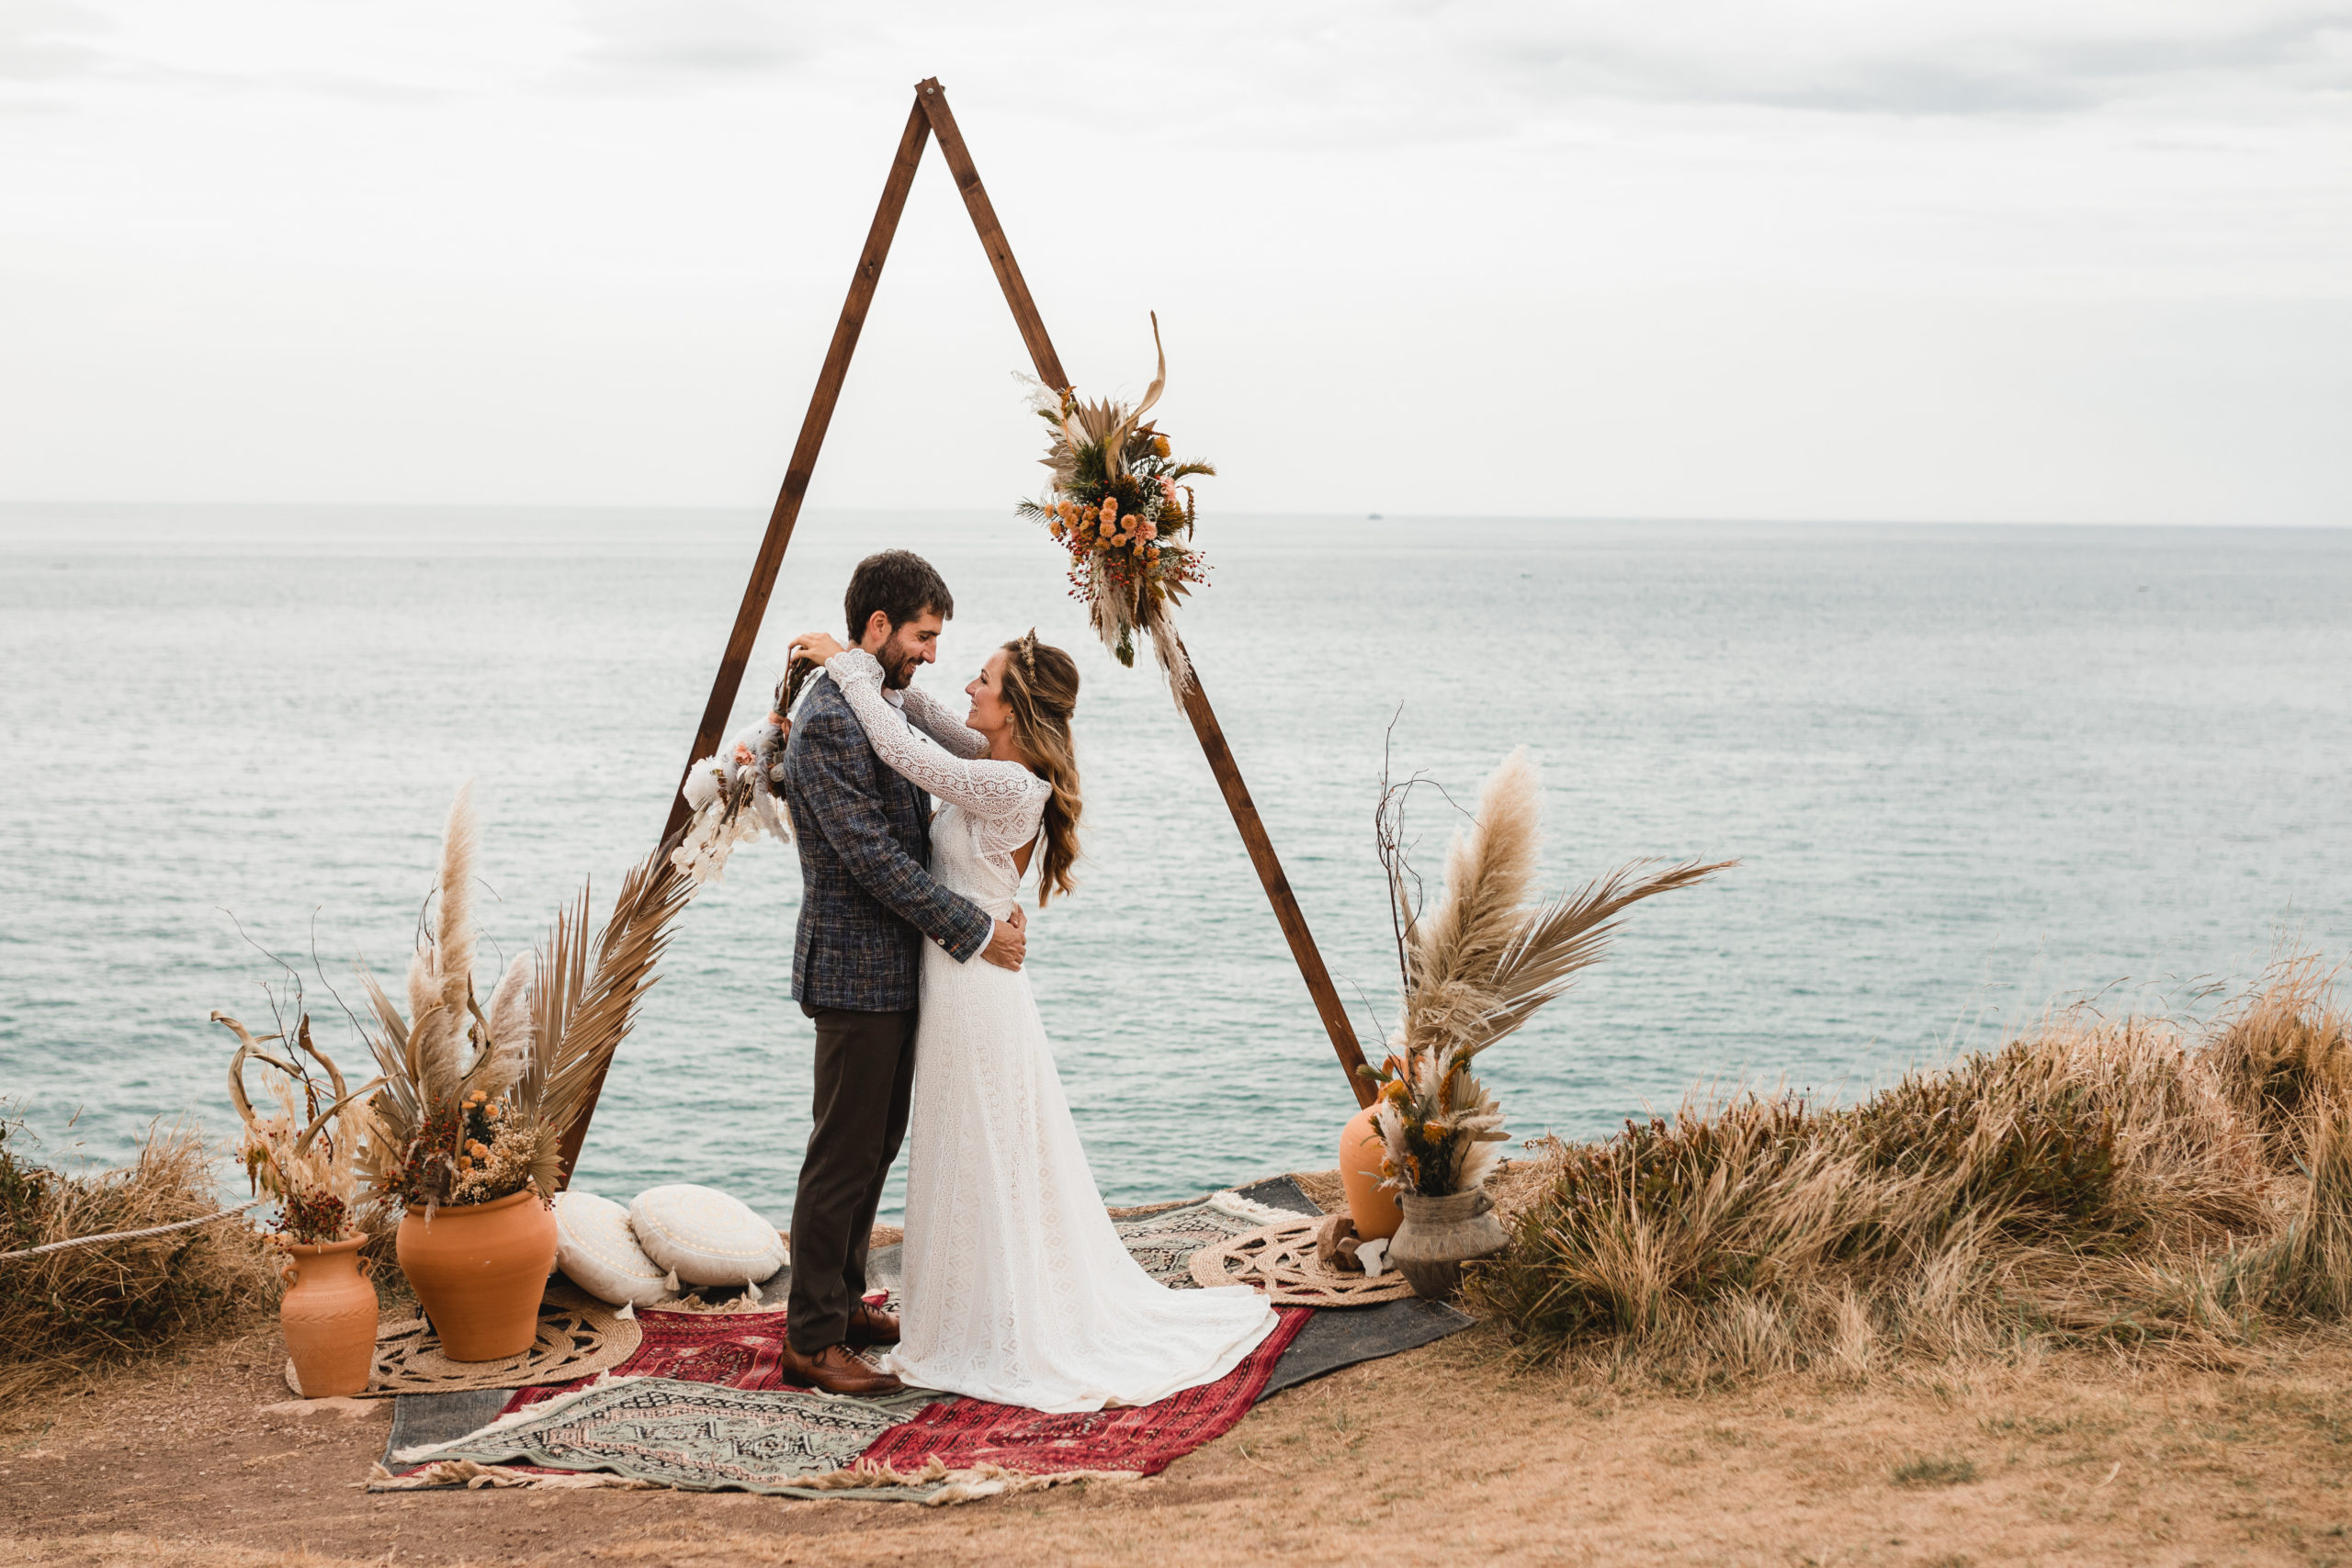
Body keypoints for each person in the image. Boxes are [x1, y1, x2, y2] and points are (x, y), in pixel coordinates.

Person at [788, 615, 1277, 1413]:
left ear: (1014, 706)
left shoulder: (1008, 782)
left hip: (972, 985)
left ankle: (989, 1318)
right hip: (956, 973)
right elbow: (920, 715)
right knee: (955, 1142)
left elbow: (902, 749)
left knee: (974, 1143)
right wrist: (870, 668)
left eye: (984, 677)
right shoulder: (993, 754)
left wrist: (845, 664)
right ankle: (951, 1305)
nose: (968, 686)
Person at [774, 550, 1029, 1396]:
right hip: (853, 973)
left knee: (874, 1147)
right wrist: (974, 930)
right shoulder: (828, 723)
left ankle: (843, 1304)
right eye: (922, 635)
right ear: (877, 627)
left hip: (893, 970)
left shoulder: (871, 701)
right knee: (840, 1156)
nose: (930, 654)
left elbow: (928, 766)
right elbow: (877, 860)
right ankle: (810, 1341)